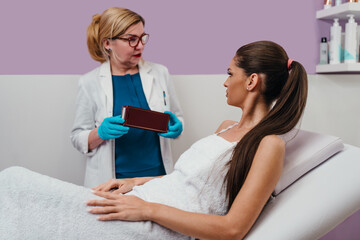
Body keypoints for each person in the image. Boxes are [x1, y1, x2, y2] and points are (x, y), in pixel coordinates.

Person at [0, 41, 307, 239]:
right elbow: (188, 181)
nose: (225, 81)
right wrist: (135, 182)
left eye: (230, 73)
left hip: (155, 222)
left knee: (17, 187)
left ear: (252, 80)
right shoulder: (226, 127)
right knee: (14, 185)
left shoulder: (269, 145)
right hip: (143, 201)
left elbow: (233, 229)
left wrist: (146, 210)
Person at [70, 7, 184, 188]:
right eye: (132, 39)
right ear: (108, 43)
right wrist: (98, 133)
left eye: (142, 37)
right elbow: (77, 137)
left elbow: (177, 116)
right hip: (113, 182)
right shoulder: (89, 82)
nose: (140, 45)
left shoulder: (160, 72)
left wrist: (177, 127)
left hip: (157, 178)